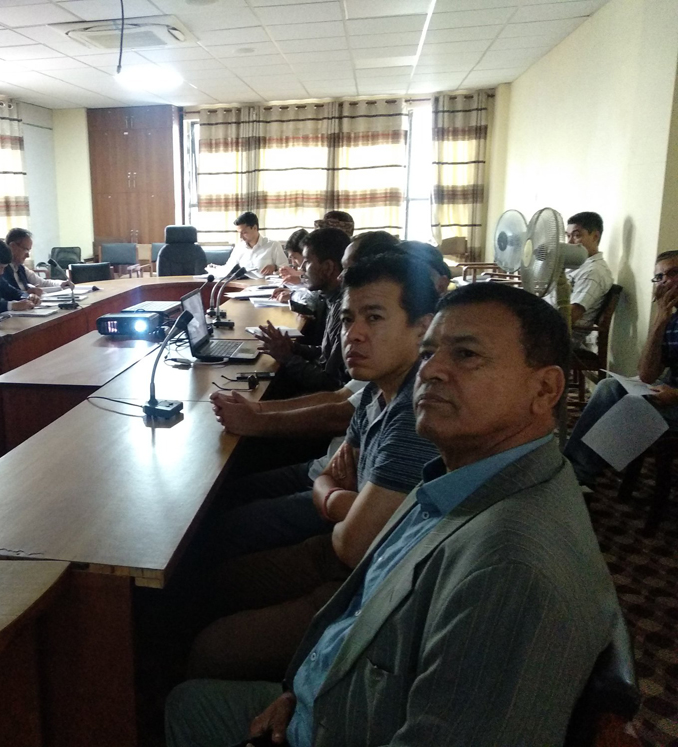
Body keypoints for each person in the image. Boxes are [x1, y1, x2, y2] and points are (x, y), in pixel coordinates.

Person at [166, 282, 620, 747]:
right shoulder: (461, 476)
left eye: (466, 355)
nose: (431, 371)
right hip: (327, 699)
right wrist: (298, 691)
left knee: (189, 695)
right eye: (428, 353)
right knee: (190, 696)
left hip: (341, 728)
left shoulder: (511, 570)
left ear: (544, 389)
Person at [187, 254, 440, 682]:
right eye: (348, 319)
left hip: (366, 580)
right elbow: (340, 477)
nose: (353, 334)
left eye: (374, 318)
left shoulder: (415, 410)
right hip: (337, 549)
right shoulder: (380, 387)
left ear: (423, 327)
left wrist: (331, 494)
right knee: (215, 584)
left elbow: (354, 544)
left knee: (212, 648)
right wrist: (345, 498)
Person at [565, 249, 678, 488]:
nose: (666, 282)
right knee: (609, 387)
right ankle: (571, 469)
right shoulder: (671, 320)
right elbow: (647, 375)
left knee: (633, 407)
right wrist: (660, 319)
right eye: (659, 277)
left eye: (674, 273)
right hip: (668, 389)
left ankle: (578, 474)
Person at [255, 228, 350, 393]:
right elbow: (325, 352)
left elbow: (331, 384)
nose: (302, 267)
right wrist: (293, 348)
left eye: (307, 261)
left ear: (328, 267)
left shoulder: (345, 309)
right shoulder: (331, 299)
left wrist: (287, 357)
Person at [544, 211, 613, 350]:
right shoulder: (575, 264)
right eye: (568, 236)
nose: (569, 242)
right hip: (547, 323)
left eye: (576, 235)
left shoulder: (594, 271)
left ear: (595, 236)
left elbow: (570, 316)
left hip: (561, 336)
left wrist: (535, 317)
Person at [2, 228, 72, 295]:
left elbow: (43, 283)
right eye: (26, 250)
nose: (28, 255)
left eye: (29, 251)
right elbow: (6, 296)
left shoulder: (20, 268)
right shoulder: (0, 270)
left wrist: (62, 284)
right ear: (13, 246)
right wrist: (27, 294)